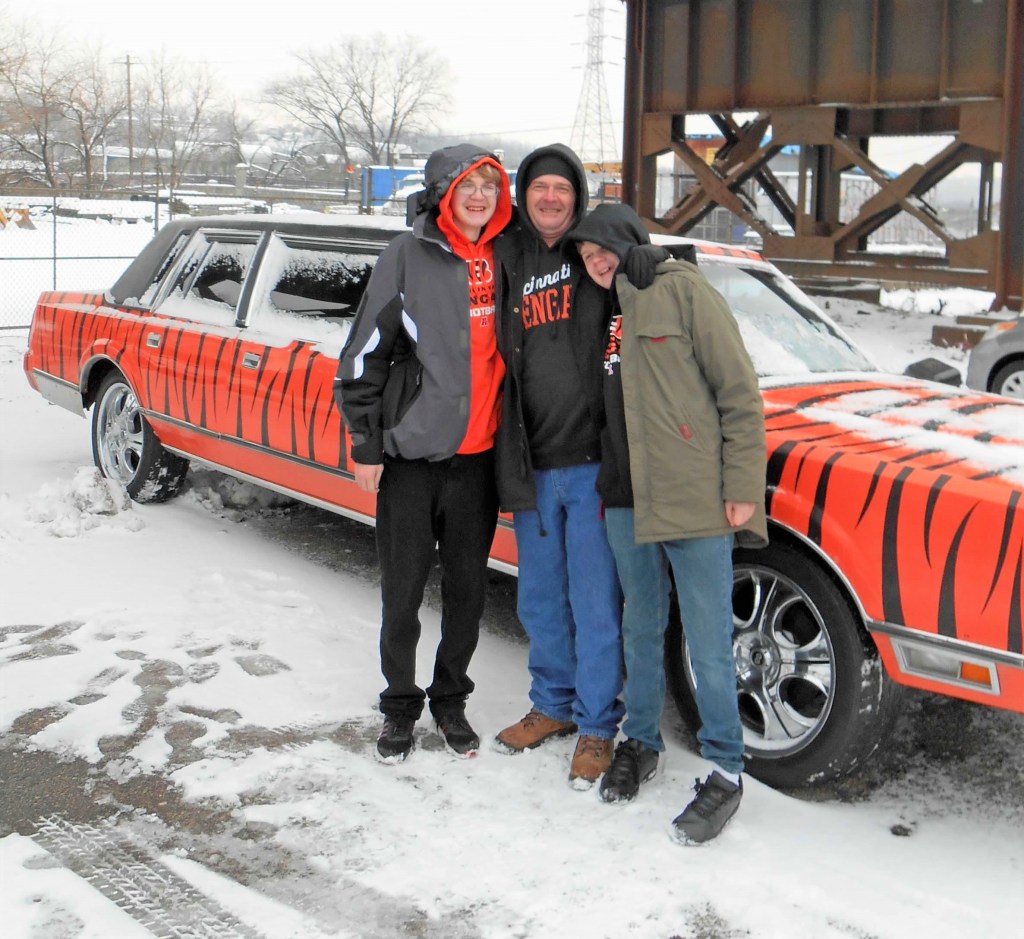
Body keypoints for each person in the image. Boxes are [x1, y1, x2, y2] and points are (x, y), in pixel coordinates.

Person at [565, 202, 768, 843]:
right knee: (640, 625)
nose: (593, 259)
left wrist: (741, 488)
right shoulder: (598, 308)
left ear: (628, 241)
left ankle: (726, 771)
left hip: (693, 495)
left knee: (708, 641)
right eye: (583, 253)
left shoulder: (681, 290)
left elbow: (738, 392)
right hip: (625, 495)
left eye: (602, 248)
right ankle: (641, 741)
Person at [491, 144, 665, 789]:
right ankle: (553, 706)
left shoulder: (595, 255)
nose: (551, 197)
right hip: (531, 463)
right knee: (539, 599)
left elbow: (645, 262)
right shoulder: (508, 257)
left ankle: (597, 724)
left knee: (595, 601)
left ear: (578, 196)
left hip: (594, 465)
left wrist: (647, 256)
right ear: (524, 194)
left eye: (563, 188)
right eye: (540, 187)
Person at [335, 144, 512, 764]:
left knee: (467, 592)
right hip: (411, 461)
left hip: (478, 464)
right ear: (442, 191)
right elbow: (364, 354)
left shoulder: (504, 257)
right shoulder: (406, 254)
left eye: (491, 184)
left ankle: (450, 699)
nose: (480, 195)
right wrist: (366, 443)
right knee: (403, 594)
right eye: (468, 183)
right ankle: (400, 705)